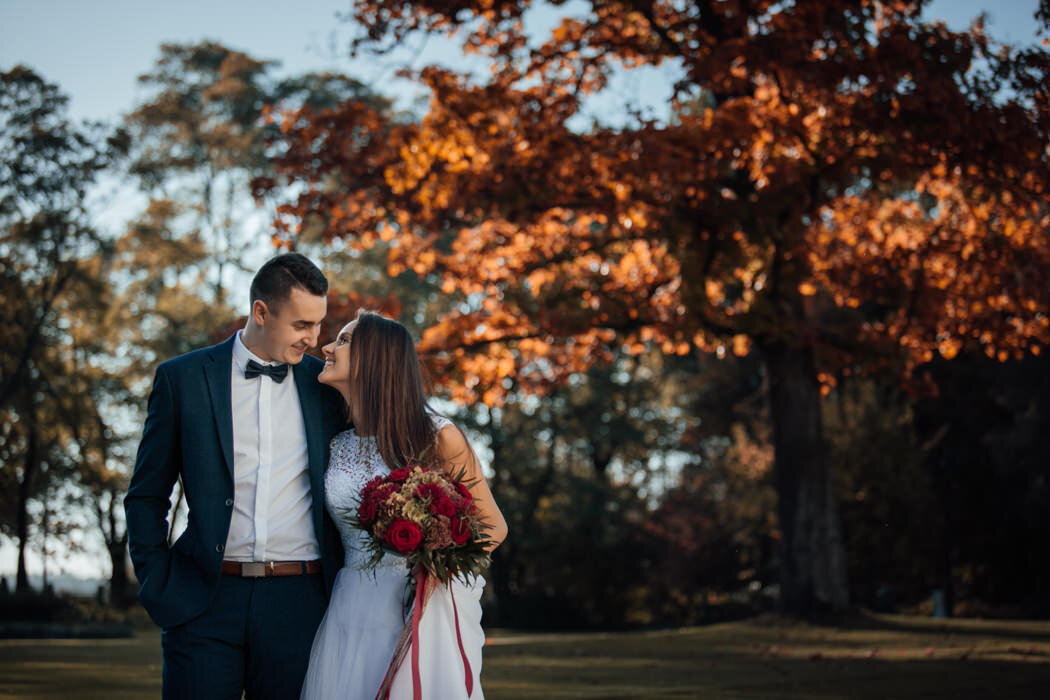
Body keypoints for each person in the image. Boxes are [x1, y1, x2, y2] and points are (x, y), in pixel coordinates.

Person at [124, 253, 346, 699]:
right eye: (301, 324)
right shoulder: (181, 379)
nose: (314, 338)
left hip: (300, 602)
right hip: (202, 600)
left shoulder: (328, 387)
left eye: (318, 324)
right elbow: (147, 494)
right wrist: (156, 580)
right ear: (261, 312)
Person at [301, 311, 508, 699]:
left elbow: (493, 527)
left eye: (343, 341)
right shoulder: (335, 445)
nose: (326, 347)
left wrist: (435, 572)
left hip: (417, 609)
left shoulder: (437, 436)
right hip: (350, 604)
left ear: (375, 359)